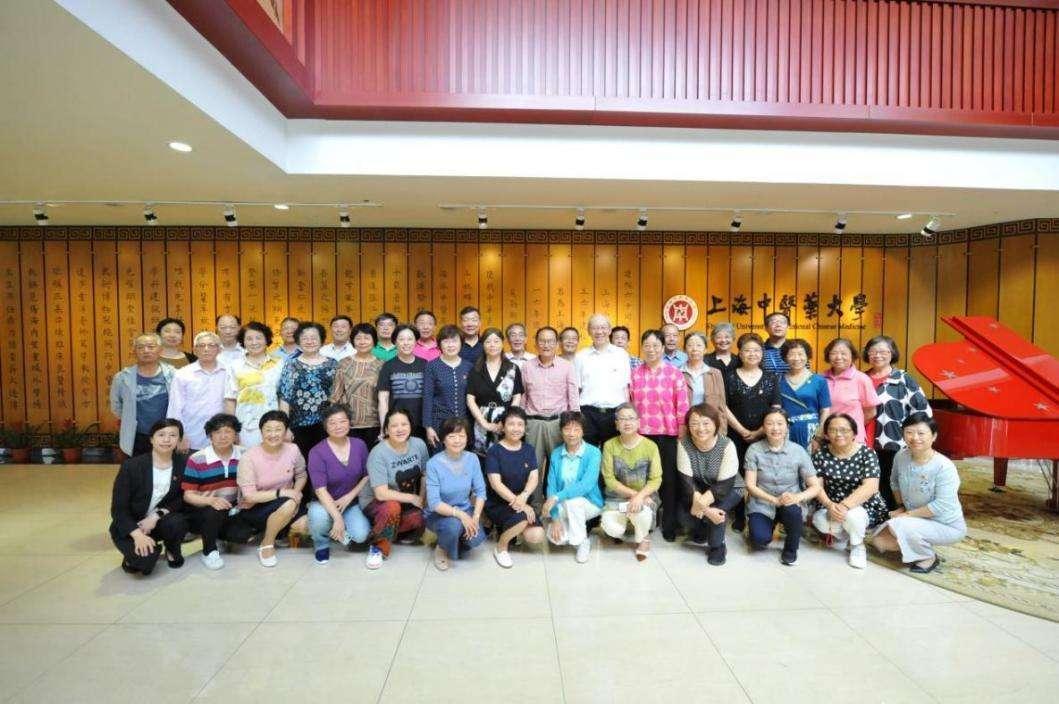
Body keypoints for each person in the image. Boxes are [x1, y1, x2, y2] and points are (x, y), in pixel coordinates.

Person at [871, 413, 965, 573]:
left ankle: (928, 557)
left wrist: (907, 515)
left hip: (945, 523)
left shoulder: (944, 467)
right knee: (879, 542)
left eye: (921, 433)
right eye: (909, 432)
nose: (915, 438)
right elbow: (894, 482)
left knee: (899, 525)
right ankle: (916, 539)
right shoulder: (901, 456)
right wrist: (901, 507)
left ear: (934, 436)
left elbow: (941, 506)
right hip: (914, 517)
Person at [630, 329, 690, 542]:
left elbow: (683, 406)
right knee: (643, 480)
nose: (651, 349)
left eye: (656, 345)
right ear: (642, 348)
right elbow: (629, 404)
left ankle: (669, 524)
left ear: (663, 348)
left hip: (668, 434)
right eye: (647, 345)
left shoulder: (674, 373)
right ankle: (644, 521)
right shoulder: (635, 374)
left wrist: (682, 432)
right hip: (641, 435)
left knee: (669, 481)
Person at [109, 418, 188, 576]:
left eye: (173, 435)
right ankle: (143, 552)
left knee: (177, 521)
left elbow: (181, 498)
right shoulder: (132, 466)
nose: (167, 440)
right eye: (161, 435)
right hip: (132, 525)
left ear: (179, 440)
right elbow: (119, 509)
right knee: (143, 565)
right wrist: (137, 535)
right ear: (151, 439)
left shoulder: (183, 464)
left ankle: (172, 548)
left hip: (159, 522)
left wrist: (156, 515)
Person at [744, 408, 822, 566]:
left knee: (792, 511)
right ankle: (768, 526)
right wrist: (773, 500)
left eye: (780, 423)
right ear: (763, 427)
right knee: (759, 541)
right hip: (763, 503)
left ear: (787, 427)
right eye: (770, 423)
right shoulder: (754, 450)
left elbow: (815, 487)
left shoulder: (798, 451)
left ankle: (791, 549)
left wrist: (797, 497)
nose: (775, 428)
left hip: (790, 502)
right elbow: (750, 485)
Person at [863, 335, 933, 509]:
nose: (878, 355)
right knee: (866, 480)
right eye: (873, 351)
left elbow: (922, 410)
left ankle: (894, 514)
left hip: (891, 440)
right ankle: (871, 514)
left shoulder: (903, 379)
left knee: (890, 481)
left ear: (892, 353)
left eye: (883, 351)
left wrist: (916, 437)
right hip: (862, 440)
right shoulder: (861, 378)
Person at [811, 413, 889, 569]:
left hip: (863, 504)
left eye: (844, 430)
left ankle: (857, 546)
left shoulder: (867, 453)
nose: (838, 434)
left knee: (853, 516)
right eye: (833, 430)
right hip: (832, 504)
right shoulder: (821, 455)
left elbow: (871, 486)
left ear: (854, 433)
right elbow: (816, 486)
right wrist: (829, 505)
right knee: (819, 520)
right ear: (826, 434)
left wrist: (845, 506)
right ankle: (847, 535)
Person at [235, 410, 307, 567]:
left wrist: (296, 493)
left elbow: (301, 475)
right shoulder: (249, 457)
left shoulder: (293, 449)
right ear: (261, 432)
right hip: (255, 506)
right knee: (288, 503)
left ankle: (277, 531)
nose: (273, 434)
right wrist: (284, 493)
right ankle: (267, 543)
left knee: (304, 525)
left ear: (285, 431)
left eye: (278, 429)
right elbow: (249, 497)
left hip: (286, 501)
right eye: (268, 430)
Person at [361, 408, 429, 569]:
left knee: (425, 515)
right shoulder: (378, 453)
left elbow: (425, 474)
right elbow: (381, 493)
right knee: (392, 507)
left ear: (410, 426)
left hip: (403, 501)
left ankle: (382, 531)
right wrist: (413, 498)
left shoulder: (418, 444)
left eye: (404, 424)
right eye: (394, 426)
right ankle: (377, 548)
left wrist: (422, 498)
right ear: (386, 429)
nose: (400, 429)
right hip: (376, 502)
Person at [677, 404, 744, 566]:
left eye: (706, 423)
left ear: (716, 424)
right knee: (683, 515)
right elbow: (687, 481)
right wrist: (707, 510)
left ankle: (717, 546)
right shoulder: (683, 444)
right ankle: (703, 527)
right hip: (700, 488)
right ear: (688, 426)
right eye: (694, 423)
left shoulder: (726, 445)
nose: (700, 428)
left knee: (717, 510)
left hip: (731, 488)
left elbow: (724, 486)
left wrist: (700, 507)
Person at [306, 404, 372, 565]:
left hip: (351, 503)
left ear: (349, 422)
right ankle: (321, 543)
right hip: (324, 503)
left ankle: (339, 530)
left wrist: (349, 497)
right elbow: (320, 490)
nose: (338, 426)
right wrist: (337, 518)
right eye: (332, 422)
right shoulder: (316, 452)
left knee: (361, 535)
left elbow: (367, 476)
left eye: (342, 421)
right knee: (319, 517)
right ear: (325, 426)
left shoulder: (359, 445)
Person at [518, 326, 580, 484]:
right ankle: (535, 498)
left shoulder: (567, 366)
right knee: (533, 468)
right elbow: (523, 396)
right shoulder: (527, 367)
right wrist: (520, 422)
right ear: (536, 344)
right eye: (542, 341)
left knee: (559, 467)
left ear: (557, 344)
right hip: (533, 424)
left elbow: (573, 397)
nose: (546, 345)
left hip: (558, 423)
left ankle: (557, 498)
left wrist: (574, 424)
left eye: (550, 341)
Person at [600, 403, 662, 561]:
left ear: (638, 422)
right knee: (612, 528)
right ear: (616, 424)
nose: (627, 422)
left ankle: (643, 539)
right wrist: (635, 495)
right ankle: (627, 523)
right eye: (622, 419)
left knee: (643, 514)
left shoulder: (651, 446)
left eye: (631, 418)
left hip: (645, 496)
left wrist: (640, 497)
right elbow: (609, 479)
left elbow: (656, 479)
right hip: (617, 497)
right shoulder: (609, 445)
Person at [181, 413, 243, 570]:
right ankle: (209, 551)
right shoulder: (197, 458)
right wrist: (211, 501)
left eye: (228, 431)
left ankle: (219, 536)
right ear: (210, 435)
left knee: (241, 534)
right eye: (217, 432)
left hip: (232, 507)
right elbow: (188, 495)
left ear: (235, 434)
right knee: (213, 512)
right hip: (204, 508)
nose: (223, 436)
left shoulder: (244, 454)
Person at [424, 418, 488, 570]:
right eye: (452, 436)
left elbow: (480, 491)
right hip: (439, 513)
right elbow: (434, 503)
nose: (457, 440)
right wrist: (462, 516)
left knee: (476, 538)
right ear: (443, 439)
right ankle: (442, 548)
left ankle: (452, 540)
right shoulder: (433, 464)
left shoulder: (472, 459)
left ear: (467, 438)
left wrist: (475, 517)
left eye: (461, 436)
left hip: (465, 508)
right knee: (453, 526)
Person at [484, 408, 544, 567]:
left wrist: (524, 496)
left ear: (525, 428)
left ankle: (511, 530)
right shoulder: (494, 451)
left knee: (536, 535)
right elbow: (496, 484)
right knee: (523, 519)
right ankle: (501, 547)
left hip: (522, 499)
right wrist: (521, 505)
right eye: (511, 424)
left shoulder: (528, 449)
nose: (516, 428)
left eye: (520, 424)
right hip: (499, 502)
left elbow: (533, 477)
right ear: (503, 427)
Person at [542, 411, 604, 563]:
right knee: (556, 539)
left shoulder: (593, 452)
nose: (571, 434)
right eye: (567, 429)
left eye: (576, 429)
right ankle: (576, 531)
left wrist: (556, 498)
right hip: (563, 502)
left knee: (574, 502)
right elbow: (551, 486)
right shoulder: (556, 453)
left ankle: (582, 543)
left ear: (583, 431)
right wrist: (555, 519)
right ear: (561, 431)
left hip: (590, 503)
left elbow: (586, 485)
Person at [278, 321, 338, 461]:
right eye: (305, 338)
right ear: (298, 341)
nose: (309, 341)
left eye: (314, 338)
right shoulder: (291, 364)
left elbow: (337, 396)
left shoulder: (333, 364)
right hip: (298, 425)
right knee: (302, 463)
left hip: (327, 424)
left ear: (322, 340)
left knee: (326, 461)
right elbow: (284, 398)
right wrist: (285, 427)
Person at [110, 333, 175, 457]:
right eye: (140, 347)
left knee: (166, 467)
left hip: (167, 435)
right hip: (136, 436)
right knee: (138, 467)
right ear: (134, 351)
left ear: (160, 350)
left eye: (151, 347)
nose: (146, 350)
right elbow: (116, 405)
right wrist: (128, 417)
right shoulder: (122, 377)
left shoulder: (173, 375)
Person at [575, 314, 631, 448]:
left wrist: (626, 414)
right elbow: (577, 389)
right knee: (588, 453)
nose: (599, 331)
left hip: (615, 413)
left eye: (603, 327)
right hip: (587, 413)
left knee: (613, 454)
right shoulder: (581, 356)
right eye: (595, 328)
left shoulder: (621, 355)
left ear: (610, 330)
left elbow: (626, 388)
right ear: (589, 331)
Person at [166, 331, 227, 453]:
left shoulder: (229, 372)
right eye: (201, 345)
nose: (206, 349)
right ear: (195, 350)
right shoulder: (183, 374)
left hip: (223, 438)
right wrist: (179, 435)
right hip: (192, 439)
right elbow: (174, 408)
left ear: (219, 350)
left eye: (211, 345)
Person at [224, 321, 283, 447]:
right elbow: (230, 399)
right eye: (249, 339)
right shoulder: (235, 366)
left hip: (274, 426)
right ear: (243, 342)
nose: (254, 342)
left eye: (258, 338)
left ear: (266, 340)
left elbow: (283, 398)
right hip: (245, 427)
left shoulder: (279, 364)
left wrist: (285, 424)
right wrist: (232, 429)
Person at [467, 328, 524, 455]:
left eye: (496, 341)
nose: (492, 345)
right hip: (481, 421)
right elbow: (470, 400)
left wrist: (506, 420)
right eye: (488, 342)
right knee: (483, 459)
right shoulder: (476, 369)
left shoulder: (512, 369)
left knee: (507, 456)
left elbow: (517, 397)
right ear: (483, 345)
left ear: (502, 343)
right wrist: (484, 424)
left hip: (507, 423)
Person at [421, 325, 473, 450]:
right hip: (439, 423)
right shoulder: (432, 366)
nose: (450, 345)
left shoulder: (468, 366)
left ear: (461, 343)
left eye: (454, 341)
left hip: (463, 425)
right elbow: (427, 396)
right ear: (439, 344)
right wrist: (428, 427)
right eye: (446, 341)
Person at [822, 338, 880, 445]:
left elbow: (871, 412)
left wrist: (849, 427)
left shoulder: (861, 379)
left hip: (853, 439)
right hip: (827, 438)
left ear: (852, 356)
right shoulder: (821, 379)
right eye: (834, 353)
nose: (839, 357)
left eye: (843, 353)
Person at [779, 338, 831, 451]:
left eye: (800, 354)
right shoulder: (779, 381)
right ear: (785, 357)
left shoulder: (819, 380)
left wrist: (819, 436)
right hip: (785, 431)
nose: (797, 358)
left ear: (807, 356)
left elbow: (825, 410)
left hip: (812, 431)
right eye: (792, 354)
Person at [377, 324, 428, 440]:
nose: (406, 343)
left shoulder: (425, 365)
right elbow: (383, 399)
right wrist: (384, 426)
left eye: (410, 339)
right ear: (395, 342)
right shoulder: (388, 366)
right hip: (398, 425)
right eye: (401, 339)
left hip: (421, 424)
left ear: (416, 341)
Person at [680, 331, 727, 429]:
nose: (694, 349)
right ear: (684, 350)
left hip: (709, 428)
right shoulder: (677, 373)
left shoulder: (715, 374)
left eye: (699, 345)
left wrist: (722, 431)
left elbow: (721, 406)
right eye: (690, 345)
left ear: (705, 349)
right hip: (685, 426)